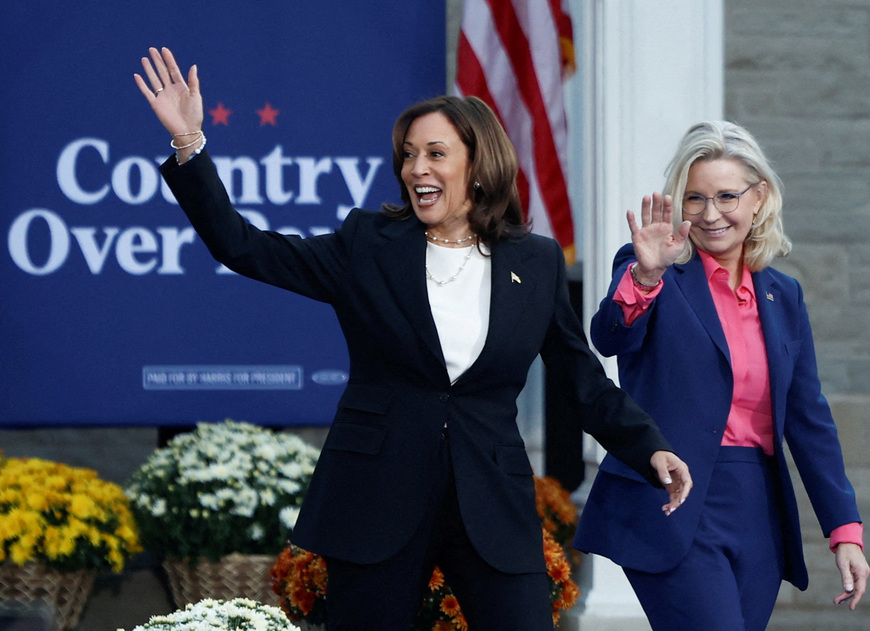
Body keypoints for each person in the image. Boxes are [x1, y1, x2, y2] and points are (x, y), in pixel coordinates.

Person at [134, 47, 692, 631]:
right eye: (408, 155)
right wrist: (190, 146)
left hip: (492, 507)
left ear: (477, 165)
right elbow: (241, 246)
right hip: (378, 499)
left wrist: (648, 445)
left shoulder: (537, 260)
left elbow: (581, 380)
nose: (416, 168)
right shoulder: (368, 244)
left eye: (435, 154)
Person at [573, 120, 870, 630]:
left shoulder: (784, 295)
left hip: (758, 509)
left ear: (759, 199)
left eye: (727, 197)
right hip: (672, 498)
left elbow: (808, 420)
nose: (711, 214)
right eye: (694, 199)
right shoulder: (655, 268)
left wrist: (845, 529)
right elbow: (608, 337)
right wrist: (646, 276)